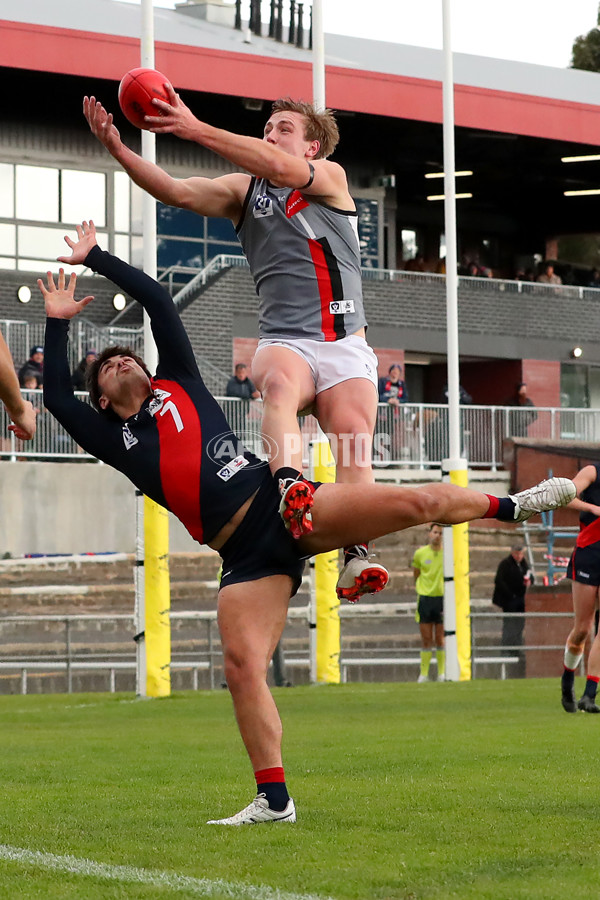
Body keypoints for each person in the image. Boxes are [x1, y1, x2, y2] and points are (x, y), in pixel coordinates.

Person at [41, 222, 576, 824]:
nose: (116, 361)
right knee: (242, 666)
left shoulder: (180, 381)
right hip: (243, 558)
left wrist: (98, 257)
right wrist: (57, 319)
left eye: (122, 354)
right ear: (106, 401)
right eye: (106, 366)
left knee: (413, 505)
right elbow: (58, 400)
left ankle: (514, 506)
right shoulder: (117, 438)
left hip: (282, 507)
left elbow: (160, 299)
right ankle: (274, 800)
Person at [83, 90, 387, 604]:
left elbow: (278, 166)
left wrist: (193, 127)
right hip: (285, 340)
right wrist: (120, 150)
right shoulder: (245, 192)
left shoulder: (328, 179)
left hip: (343, 343)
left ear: (312, 147)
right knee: (280, 386)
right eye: (268, 129)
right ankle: (292, 487)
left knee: (354, 441)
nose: (271, 136)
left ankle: (356, 550)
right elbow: (176, 192)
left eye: (283, 129)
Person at [561, 464, 600, 713]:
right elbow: (566, 497)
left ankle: (589, 694)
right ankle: (567, 679)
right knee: (582, 629)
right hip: (588, 553)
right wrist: (593, 508)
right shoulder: (593, 471)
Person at [492, 542, 534, 678]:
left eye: (521, 553)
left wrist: (529, 581)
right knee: (509, 623)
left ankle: (516, 647)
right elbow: (499, 580)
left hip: (520, 599)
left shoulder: (524, 565)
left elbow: (530, 576)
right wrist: (510, 594)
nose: (519, 556)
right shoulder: (505, 564)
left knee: (519, 624)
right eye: (517, 553)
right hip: (509, 599)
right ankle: (506, 649)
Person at [412, 524, 445, 683]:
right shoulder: (420, 553)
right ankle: (424, 674)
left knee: (440, 638)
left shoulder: (448, 554)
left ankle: (442, 673)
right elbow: (416, 574)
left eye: (440, 533)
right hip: (425, 598)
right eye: (435, 532)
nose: (437, 535)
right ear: (430, 534)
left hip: (442, 599)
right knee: (426, 639)